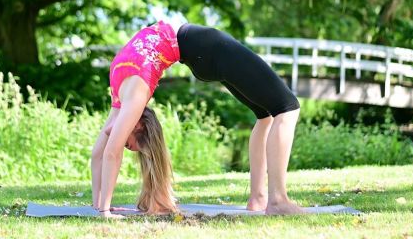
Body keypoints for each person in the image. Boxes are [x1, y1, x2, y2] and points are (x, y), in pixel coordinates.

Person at [91, 21, 303, 218]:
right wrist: (104, 210)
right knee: (287, 108)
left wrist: (102, 207)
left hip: (204, 51)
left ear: (137, 124)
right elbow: (110, 151)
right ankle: (278, 200)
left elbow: (103, 152)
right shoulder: (132, 93)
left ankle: (259, 199)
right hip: (206, 49)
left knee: (265, 115)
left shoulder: (126, 95)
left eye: (128, 144)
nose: (120, 139)